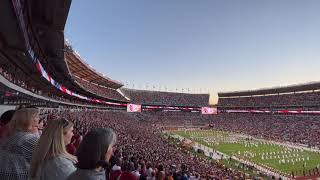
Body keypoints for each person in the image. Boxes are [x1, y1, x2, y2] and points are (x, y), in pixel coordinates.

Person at [0, 108, 40, 180]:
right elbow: (42, 162)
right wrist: (36, 133)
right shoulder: (29, 139)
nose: (39, 119)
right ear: (29, 120)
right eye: (36, 116)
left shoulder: (11, 135)